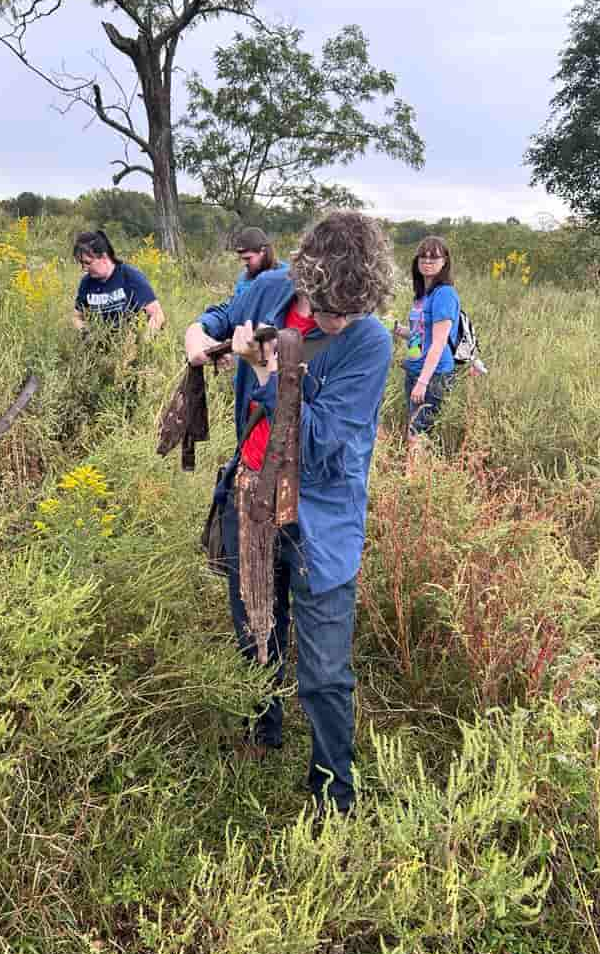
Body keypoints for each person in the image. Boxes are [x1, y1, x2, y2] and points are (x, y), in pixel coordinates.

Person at [185, 211, 393, 816]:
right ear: (303, 278)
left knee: (325, 669)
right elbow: (223, 315)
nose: (337, 321)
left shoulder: (370, 342)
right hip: (251, 497)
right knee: (255, 630)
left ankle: (334, 791)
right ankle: (262, 730)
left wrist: (270, 371)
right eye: (328, 307)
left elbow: (324, 445)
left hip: (320, 518)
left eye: (349, 312)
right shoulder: (271, 288)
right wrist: (200, 335)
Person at [394, 235, 459, 463]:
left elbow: (439, 343)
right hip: (415, 369)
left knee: (417, 433)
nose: (427, 261)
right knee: (412, 429)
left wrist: (423, 381)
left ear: (444, 262)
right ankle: (414, 477)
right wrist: (397, 330)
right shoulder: (423, 295)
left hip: (433, 375)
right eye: (423, 256)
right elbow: (420, 337)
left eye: (434, 257)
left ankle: (414, 483)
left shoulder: (444, 294)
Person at [72, 230, 165, 334]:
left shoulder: (130, 276)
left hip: (132, 342)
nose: (84, 268)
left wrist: (143, 343)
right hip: (101, 344)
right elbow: (77, 316)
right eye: (81, 263)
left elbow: (157, 315)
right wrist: (85, 332)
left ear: (104, 257)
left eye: (88, 263)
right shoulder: (86, 282)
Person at [230, 226, 287, 297]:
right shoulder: (243, 280)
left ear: (263, 251)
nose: (244, 263)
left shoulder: (287, 275)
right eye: (242, 259)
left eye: (248, 258)